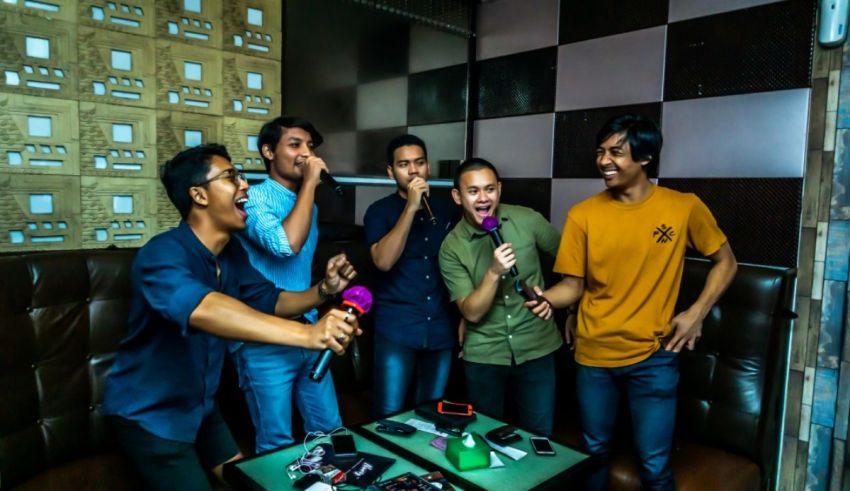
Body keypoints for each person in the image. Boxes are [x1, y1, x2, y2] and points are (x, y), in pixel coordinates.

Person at [103, 144, 359, 490]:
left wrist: (324, 291)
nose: (246, 186)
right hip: (151, 415)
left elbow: (270, 300)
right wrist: (309, 335)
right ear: (199, 195)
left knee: (249, 483)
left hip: (202, 408)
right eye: (231, 177)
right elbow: (204, 308)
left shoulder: (231, 253)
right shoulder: (162, 254)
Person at [527, 115, 737, 490]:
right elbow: (572, 286)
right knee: (594, 452)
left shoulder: (683, 207)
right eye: (600, 152)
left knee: (654, 465)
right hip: (593, 355)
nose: (604, 161)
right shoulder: (583, 214)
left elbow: (726, 262)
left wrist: (696, 312)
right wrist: (547, 300)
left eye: (616, 152)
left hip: (654, 355)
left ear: (645, 157)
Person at [230, 116, 342, 453]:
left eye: (310, 147)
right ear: (267, 151)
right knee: (276, 443)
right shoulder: (252, 200)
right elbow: (285, 245)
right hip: (263, 340)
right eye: (295, 145)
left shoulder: (310, 207)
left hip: (309, 331)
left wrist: (329, 282)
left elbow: (297, 271)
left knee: (331, 434)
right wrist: (310, 183)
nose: (307, 155)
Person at [438, 158, 563, 436]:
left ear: (500, 190)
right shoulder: (451, 247)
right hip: (485, 354)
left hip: (537, 346)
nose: (483, 198)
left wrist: (567, 304)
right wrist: (493, 273)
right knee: (487, 436)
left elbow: (574, 264)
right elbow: (471, 312)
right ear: (458, 196)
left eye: (490, 189)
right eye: (473, 192)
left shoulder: (527, 219)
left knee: (540, 435)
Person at [364, 134, 459, 417]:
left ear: (428, 167)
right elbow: (383, 261)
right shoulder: (379, 211)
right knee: (388, 413)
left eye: (419, 163)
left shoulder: (449, 210)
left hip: (441, 327)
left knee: (431, 413)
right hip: (397, 328)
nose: (413, 170)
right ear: (391, 172)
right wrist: (411, 208)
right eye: (404, 164)